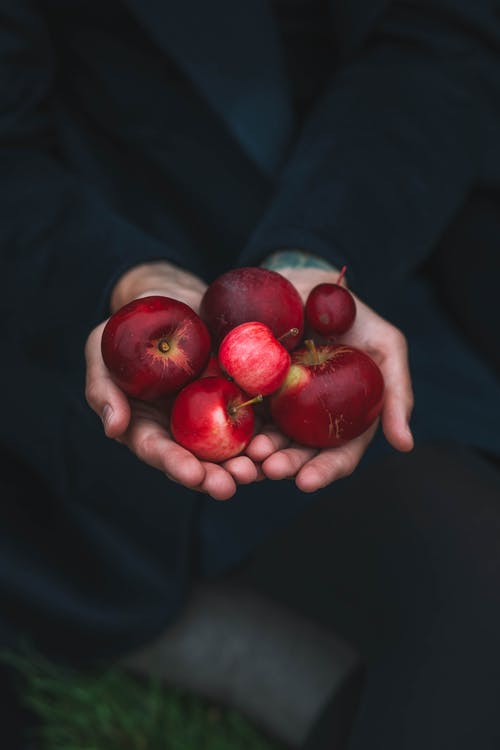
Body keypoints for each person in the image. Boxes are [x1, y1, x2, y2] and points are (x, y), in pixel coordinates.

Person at [1, 0, 499, 748]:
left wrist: (311, 252)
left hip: (357, 213)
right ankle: (178, 608)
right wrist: (121, 276)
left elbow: (444, 37)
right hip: (92, 247)